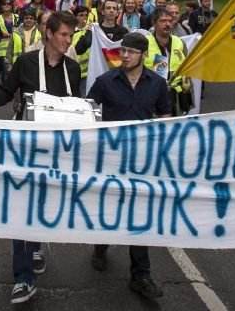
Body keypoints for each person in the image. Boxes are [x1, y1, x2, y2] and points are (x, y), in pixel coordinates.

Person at [0, 11, 81, 305]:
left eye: (71, 36)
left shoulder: (72, 69)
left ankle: (35, 243)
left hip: (56, 150)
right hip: (25, 146)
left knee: (43, 202)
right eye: (63, 35)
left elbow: (77, 106)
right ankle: (23, 277)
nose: (67, 41)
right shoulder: (26, 62)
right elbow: (7, 91)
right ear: (49, 33)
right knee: (20, 205)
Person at [87, 33, 171, 301]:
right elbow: (88, 112)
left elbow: (166, 116)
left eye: (131, 52)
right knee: (109, 209)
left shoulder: (157, 83)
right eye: (123, 51)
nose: (125, 56)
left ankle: (141, 275)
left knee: (139, 217)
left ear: (144, 55)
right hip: (110, 160)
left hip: (143, 162)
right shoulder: (105, 82)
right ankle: (101, 246)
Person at [146, 9, 190, 115]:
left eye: (170, 21)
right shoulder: (145, 43)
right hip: (152, 96)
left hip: (176, 96)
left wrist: (186, 89)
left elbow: (187, 66)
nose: (168, 24)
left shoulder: (179, 42)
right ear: (154, 23)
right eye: (163, 21)